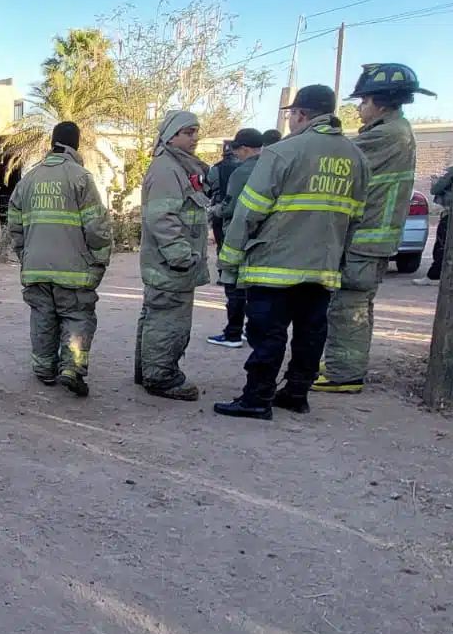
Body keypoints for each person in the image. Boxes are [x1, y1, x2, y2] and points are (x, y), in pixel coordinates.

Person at [214, 85, 367, 420]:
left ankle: (257, 398)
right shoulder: (355, 157)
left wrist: (230, 258)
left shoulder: (284, 152)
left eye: (293, 115)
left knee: (268, 333)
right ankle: (296, 393)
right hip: (323, 268)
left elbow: (249, 210)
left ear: (300, 114)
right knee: (311, 333)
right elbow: (355, 217)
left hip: (276, 266)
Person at [315, 63, 435, 394]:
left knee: (347, 307)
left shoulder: (386, 134)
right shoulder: (395, 130)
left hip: (366, 239)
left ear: (380, 102)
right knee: (357, 304)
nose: (359, 107)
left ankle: (344, 373)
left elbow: (335, 155)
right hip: (372, 239)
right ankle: (347, 362)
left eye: (364, 101)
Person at [7, 122, 113, 397]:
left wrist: (25, 255)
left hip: (35, 268)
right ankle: (72, 369)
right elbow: (96, 226)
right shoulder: (81, 177)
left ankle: (44, 369)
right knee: (77, 315)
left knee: (42, 317)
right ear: (75, 144)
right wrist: (100, 260)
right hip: (73, 270)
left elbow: (14, 226)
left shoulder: (28, 179)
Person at [134, 110, 212, 401]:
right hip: (171, 266)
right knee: (168, 321)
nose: (195, 138)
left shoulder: (177, 166)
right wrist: (181, 256)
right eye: (188, 133)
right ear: (171, 135)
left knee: (156, 316)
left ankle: (149, 372)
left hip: (168, 265)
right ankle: (161, 377)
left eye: (196, 132)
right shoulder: (167, 169)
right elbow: (162, 218)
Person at [206, 128, 267, 348]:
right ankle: (253, 334)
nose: (236, 154)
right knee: (258, 290)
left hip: (238, 235)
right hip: (266, 239)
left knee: (233, 285)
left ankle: (233, 333)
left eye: (238, 149)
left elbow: (232, 207)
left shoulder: (241, 172)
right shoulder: (274, 167)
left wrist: (214, 211)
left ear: (246, 149)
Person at [415, 166, 453, 285]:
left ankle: (434, 276)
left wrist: (435, 182)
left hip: (450, 213)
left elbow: (436, 190)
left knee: (441, 246)